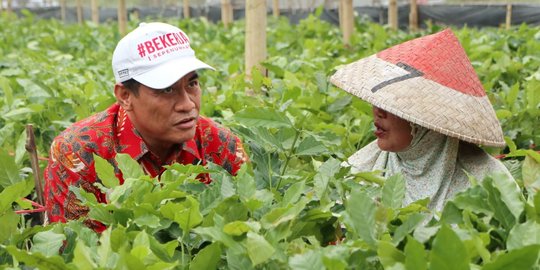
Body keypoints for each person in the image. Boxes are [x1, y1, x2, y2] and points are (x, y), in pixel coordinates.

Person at [44, 22, 248, 231]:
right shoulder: (77, 153)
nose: (188, 104)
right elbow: (76, 251)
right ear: (125, 96)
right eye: (167, 89)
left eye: (192, 84)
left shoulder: (221, 144)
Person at [330, 29, 514, 211]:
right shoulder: (358, 170)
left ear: (424, 122)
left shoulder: (489, 181)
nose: (377, 112)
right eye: (377, 102)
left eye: (391, 105)